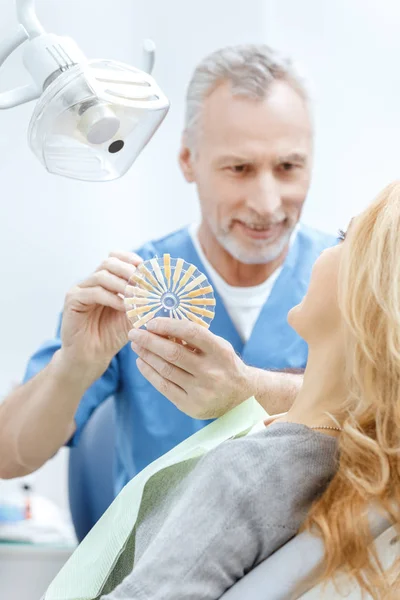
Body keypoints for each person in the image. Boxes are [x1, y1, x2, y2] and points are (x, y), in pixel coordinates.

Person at [0, 44, 336, 489]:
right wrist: (75, 365)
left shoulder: (355, 279)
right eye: (238, 168)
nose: (267, 203)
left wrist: (251, 388)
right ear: (187, 161)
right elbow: (9, 456)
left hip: (311, 556)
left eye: (289, 166)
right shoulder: (132, 292)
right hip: (159, 557)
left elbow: (382, 415)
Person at [96, 181, 400, 600]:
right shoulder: (357, 464)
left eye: (346, 237)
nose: (324, 248)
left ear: (370, 298)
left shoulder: (245, 476)